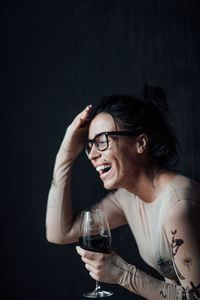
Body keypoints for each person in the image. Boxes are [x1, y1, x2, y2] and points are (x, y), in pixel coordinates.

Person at [46, 86, 200, 300]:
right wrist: (65, 155)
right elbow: (59, 232)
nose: (91, 155)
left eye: (102, 141)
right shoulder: (126, 198)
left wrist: (122, 274)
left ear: (140, 143)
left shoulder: (178, 206)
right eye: (89, 146)